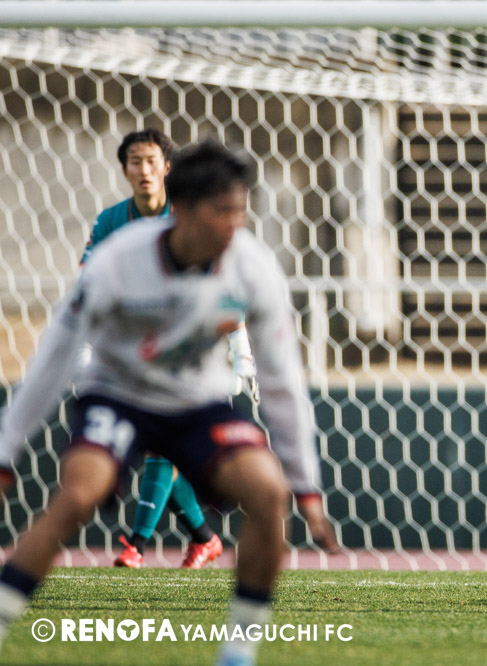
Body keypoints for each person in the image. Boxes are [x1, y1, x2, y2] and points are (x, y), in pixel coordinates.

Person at [0, 140, 337, 666]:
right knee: (77, 497)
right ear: (181, 210)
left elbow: (283, 381)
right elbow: (54, 358)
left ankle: (238, 653)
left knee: (269, 492)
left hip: (197, 402)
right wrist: (6, 451)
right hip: (118, 395)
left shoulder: (252, 266)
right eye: (221, 211)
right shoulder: (116, 261)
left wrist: (306, 484)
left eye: (240, 210)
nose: (235, 224)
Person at [82, 129, 255, 569]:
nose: (144, 170)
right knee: (159, 447)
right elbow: (88, 285)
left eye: (152, 161)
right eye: (135, 161)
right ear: (124, 169)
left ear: (167, 168)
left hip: (188, 353)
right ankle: (204, 538)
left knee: (162, 449)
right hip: (132, 352)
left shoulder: (187, 219)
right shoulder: (111, 222)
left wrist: (241, 350)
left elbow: (221, 287)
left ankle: (136, 545)